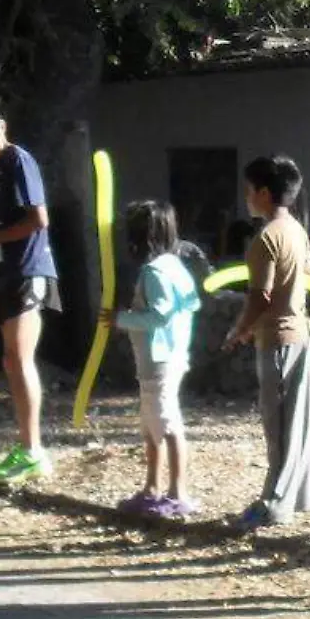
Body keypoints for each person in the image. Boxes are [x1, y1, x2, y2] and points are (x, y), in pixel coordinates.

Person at [0, 96, 62, 485]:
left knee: (19, 358)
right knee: (11, 360)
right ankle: (28, 446)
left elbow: (39, 219)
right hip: (4, 273)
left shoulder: (18, 160)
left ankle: (34, 451)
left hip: (28, 270)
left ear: (2, 125)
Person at [224, 155, 310, 529]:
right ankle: (299, 497)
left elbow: (259, 297)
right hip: (301, 333)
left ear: (264, 192)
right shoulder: (296, 229)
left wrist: (239, 330)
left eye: (249, 190)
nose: (247, 197)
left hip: (277, 340)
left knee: (278, 425)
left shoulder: (264, 239)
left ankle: (275, 504)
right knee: (297, 423)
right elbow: (308, 274)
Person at [111, 200, 201, 517]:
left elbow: (161, 315)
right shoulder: (175, 266)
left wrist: (122, 319)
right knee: (150, 423)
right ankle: (152, 487)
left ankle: (178, 492)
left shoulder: (154, 272)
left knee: (166, 421)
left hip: (159, 358)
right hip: (164, 357)